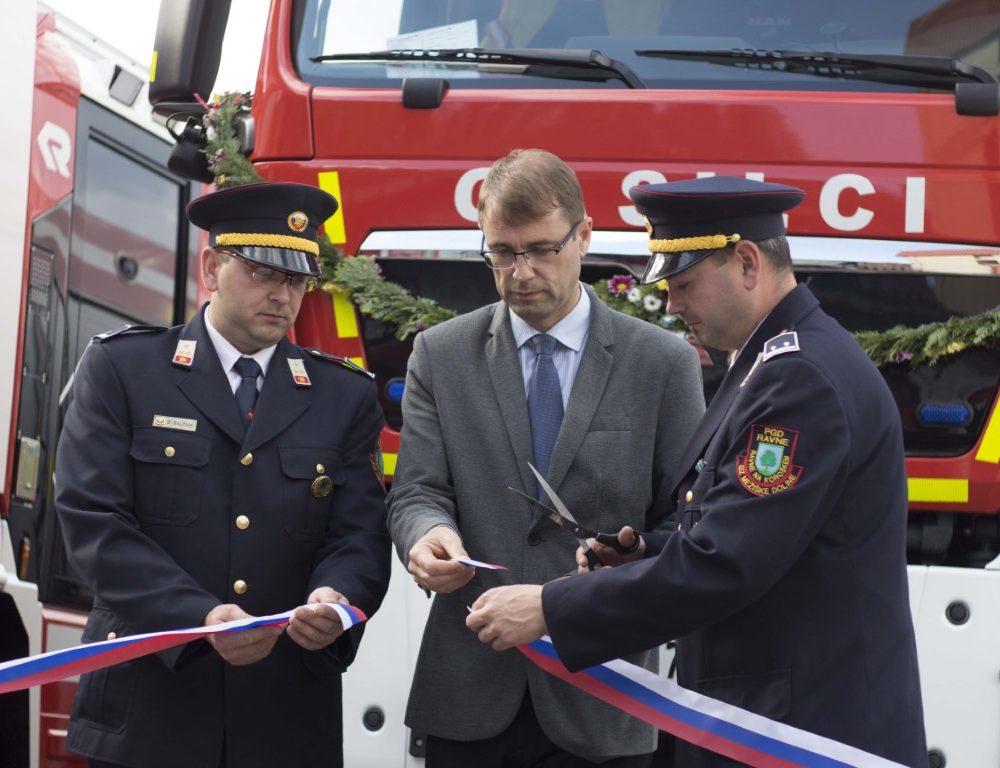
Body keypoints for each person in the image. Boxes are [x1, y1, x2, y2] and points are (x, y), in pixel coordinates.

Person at [467, 176, 927, 768]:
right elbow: (746, 532)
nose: (671, 305)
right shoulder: (775, 361)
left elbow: (725, 563)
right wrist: (647, 554)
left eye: (683, 284)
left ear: (747, 262)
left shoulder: (798, 378)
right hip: (779, 718)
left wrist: (551, 608)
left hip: (803, 733)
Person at [55, 182, 392, 768]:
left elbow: (360, 536)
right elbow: (94, 522)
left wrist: (336, 600)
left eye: (297, 279)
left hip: (284, 718)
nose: (282, 294)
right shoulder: (123, 369)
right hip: (148, 710)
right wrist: (199, 617)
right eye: (264, 272)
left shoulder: (345, 396)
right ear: (211, 268)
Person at [386, 149, 705, 767]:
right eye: (502, 253)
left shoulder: (662, 363)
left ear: (584, 237)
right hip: (470, 696)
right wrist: (426, 536)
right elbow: (417, 491)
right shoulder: (440, 354)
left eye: (540, 249)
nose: (521, 272)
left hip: (603, 697)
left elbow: (686, 523)